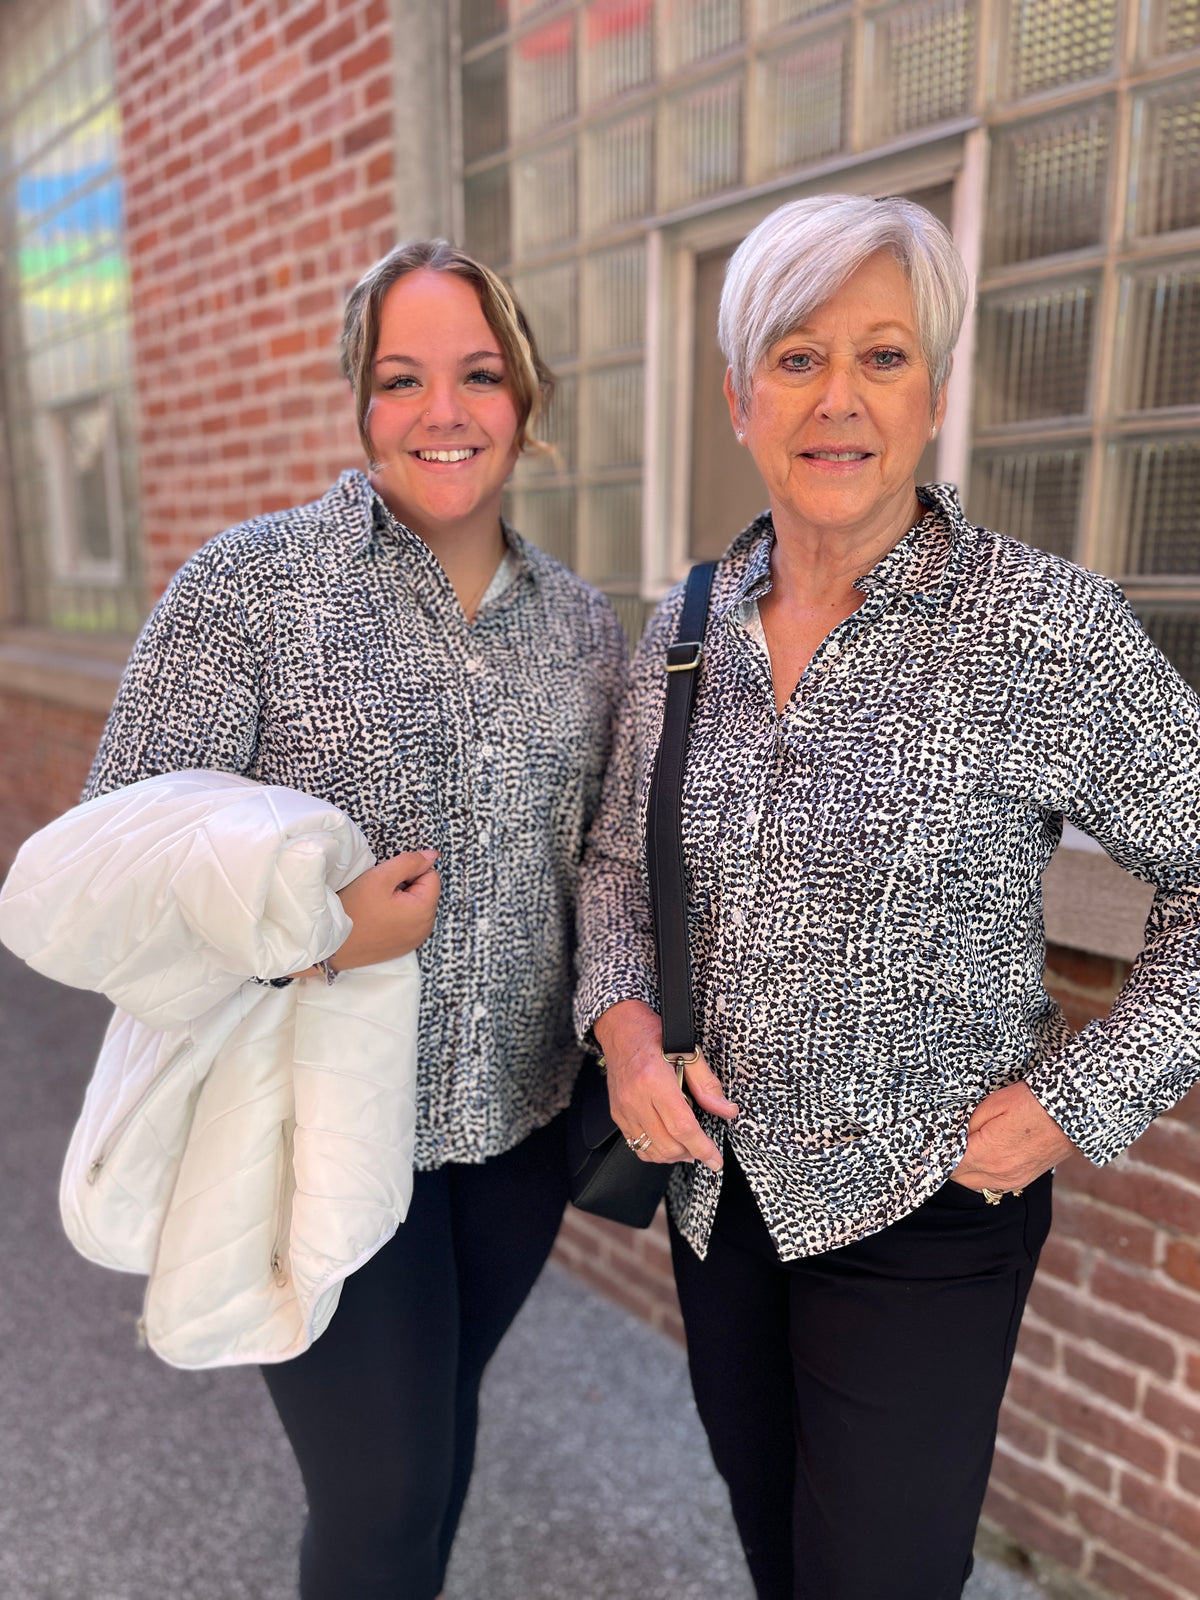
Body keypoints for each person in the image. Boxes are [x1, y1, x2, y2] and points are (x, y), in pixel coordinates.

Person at [575, 193, 1200, 1600]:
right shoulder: (682, 631)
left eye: (884, 356)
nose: (838, 399)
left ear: (934, 393)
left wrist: (1072, 1102)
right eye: (797, 357)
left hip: (928, 1204)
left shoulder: (1040, 629)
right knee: (775, 1548)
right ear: (740, 398)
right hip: (718, 1197)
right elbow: (620, 865)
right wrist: (622, 1036)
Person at [83, 240, 627, 1599]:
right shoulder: (253, 588)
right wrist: (317, 934)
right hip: (313, 1125)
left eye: (479, 375)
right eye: (403, 379)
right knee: (381, 1497)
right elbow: (120, 861)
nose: (443, 412)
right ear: (360, 403)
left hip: (512, 1138)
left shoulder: (582, 628)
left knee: (432, 1452)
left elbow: (601, 866)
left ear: (527, 400)